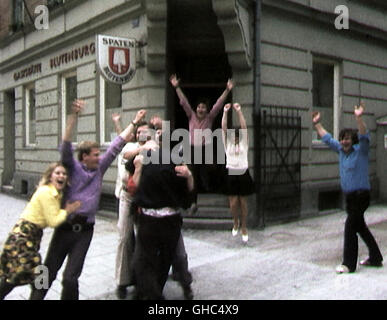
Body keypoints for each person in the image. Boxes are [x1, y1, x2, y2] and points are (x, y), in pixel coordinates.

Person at [29, 100, 145, 300]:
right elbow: (65, 146)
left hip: (85, 231)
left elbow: (118, 144)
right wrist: (73, 117)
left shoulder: (99, 169)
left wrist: (134, 122)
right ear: (84, 157)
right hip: (65, 227)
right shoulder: (73, 169)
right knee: (48, 269)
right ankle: (35, 297)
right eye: (95, 155)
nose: (100, 158)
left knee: (71, 278)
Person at [312, 102, 383, 273]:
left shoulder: (361, 151)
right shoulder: (341, 151)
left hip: (361, 195)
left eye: (347, 139)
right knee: (360, 226)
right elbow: (327, 138)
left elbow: (364, 134)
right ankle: (376, 257)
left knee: (350, 226)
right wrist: (317, 124)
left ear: (353, 141)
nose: (344, 142)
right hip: (350, 197)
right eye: (342, 138)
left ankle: (348, 264)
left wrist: (358, 118)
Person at [0, 163, 81, 299]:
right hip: (23, 239)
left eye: (64, 174)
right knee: (37, 277)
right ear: (50, 176)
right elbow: (53, 221)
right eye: (58, 173)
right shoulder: (46, 192)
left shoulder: (55, 193)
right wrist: (67, 211)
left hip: (28, 238)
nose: (61, 176)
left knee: (17, 275)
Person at [131, 130, 194, 300]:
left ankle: (158, 294)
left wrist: (188, 176)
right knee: (147, 262)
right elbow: (132, 186)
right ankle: (153, 295)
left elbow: (188, 190)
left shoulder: (174, 162)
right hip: (153, 220)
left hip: (163, 221)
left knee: (165, 260)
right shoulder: (143, 159)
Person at [169, 74, 234, 214]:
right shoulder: (191, 116)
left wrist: (227, 90)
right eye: (199, 107)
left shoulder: (210, 118)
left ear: (206, 109)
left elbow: (218, 104)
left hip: (205, 150)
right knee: (192, 176)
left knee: (206, 173)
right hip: (192, 149)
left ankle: (212, 188)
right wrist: (177, 87)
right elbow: (184, 102)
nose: (200, 109)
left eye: (203, 107)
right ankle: (193, 202)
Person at [221, 103, 254, 243]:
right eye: (232, 135)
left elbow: (244, 126)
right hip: (231, 173)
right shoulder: (227, 144)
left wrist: (239, 111)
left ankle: (244, 226)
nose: (234, 137)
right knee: (233, 203)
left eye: (236, 135)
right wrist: (225, 112)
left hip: (243, 172)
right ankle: (236, 221)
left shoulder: (244, 144)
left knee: (243, 202)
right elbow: (223, 127)